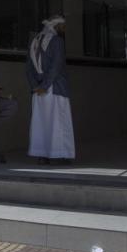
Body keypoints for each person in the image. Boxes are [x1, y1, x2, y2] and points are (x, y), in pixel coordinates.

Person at [26, 15, 75, 164]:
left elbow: (28, 68)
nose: (65, 29)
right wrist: (45, 86)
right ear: (57, 26)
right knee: (60, 122)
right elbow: (56, 66)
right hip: (55, 88)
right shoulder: (57, 41)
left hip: (39, 89)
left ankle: (43, 155)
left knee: (41, 123)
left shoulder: (34, 41)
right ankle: (61, 155)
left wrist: (36, 86)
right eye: (63, 26)